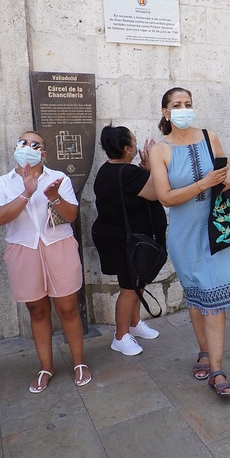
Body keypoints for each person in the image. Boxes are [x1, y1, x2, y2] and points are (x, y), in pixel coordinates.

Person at [148, 87, 230, 396]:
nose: (184, 109)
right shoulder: (160, 150)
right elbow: (165, 197)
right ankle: (204, 350)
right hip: (184, 232)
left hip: (218, 228)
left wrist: (227, 176)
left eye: (188, 104)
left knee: (215, 300)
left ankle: (217, 370)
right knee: (197, 294)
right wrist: (203, 183)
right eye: (176, 105)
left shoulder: (210, 136)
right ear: (166, 112)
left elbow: (225, 167)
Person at [0, 131, 91, 392]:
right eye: (23, 142)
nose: (28, 147)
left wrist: (54, 197)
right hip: (23, 249)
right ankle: (46, 366)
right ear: (15, 146)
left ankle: (79, 362)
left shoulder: (59, 178)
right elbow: (0, 217)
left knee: (68, 308)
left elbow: (70, 215)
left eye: (35, 145)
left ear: (43, 153)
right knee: (37, 310)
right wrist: (26, 193)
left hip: (58, 246)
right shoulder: (2, 183)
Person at [91, 125, 166, 357]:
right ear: (127, 149)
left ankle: (135, 323)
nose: (137, 145)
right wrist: (152, 166)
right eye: (134, 142)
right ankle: (121, 336)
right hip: (126, 243)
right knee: (129, 289)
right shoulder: (127, 173)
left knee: (137, 282)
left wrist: (144, 168)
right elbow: (157, 192)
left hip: (124, 240)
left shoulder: (110, 170)